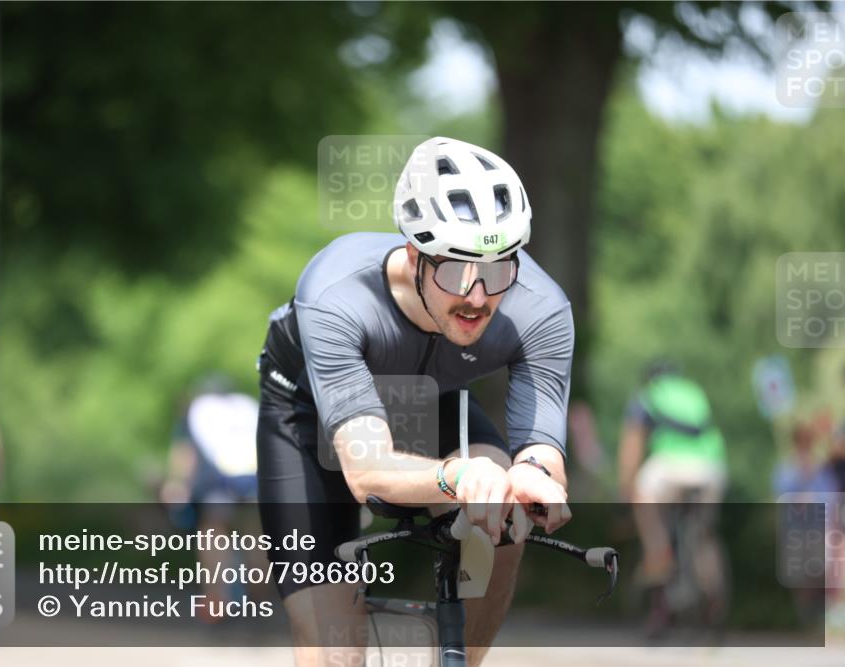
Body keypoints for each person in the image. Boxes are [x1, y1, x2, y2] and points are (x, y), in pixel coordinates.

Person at [256, 137, 573, 666]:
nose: (477, 295)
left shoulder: (541, 309)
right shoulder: (338, 295)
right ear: (413, 256)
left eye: (498, 269)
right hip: (306, 415)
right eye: (456, 269)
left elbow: (541, 446)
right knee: (337, 653)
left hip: (434, 402)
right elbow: (368, 469)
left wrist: (536, 473)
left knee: (505, 517)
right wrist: (457, 478)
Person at [617, 362, 728, 631]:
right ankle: (714, 597)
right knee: (704, 535)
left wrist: (626, 489)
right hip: (712, 469)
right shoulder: (693, 392)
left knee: (645, 501)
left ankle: (658, 553)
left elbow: (632, 445)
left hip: (669, 469)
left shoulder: (648, 394)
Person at [160, 375, 262, 618]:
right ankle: (260, 597)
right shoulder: (247, 406)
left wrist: (176, 483)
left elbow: (185, 453)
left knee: (213, 531)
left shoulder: (196, 410)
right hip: (256, 480)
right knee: (255, 535)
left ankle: (217, 598)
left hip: (217, 483)